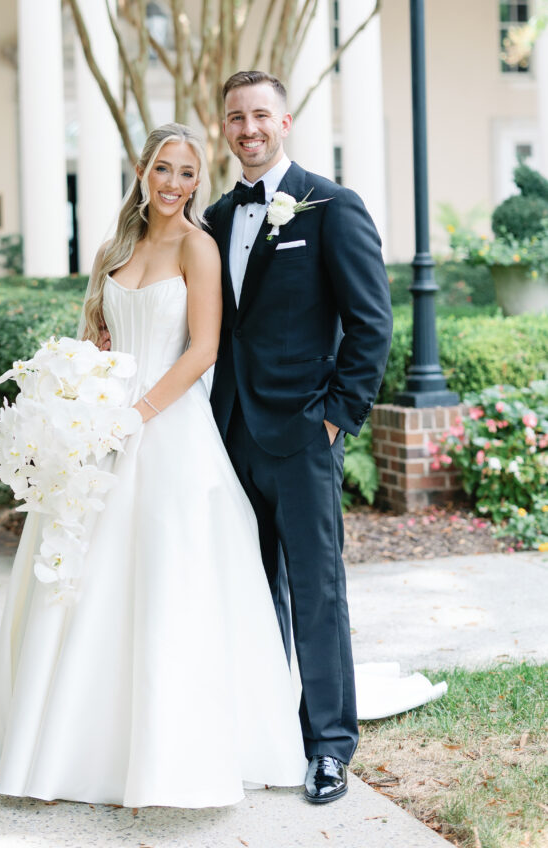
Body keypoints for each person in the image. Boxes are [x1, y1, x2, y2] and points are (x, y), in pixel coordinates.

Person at [0, 122, 307, 807]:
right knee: (75, 573)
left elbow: (202, 350)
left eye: (187, 173)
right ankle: (61, 732)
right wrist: (81, 395)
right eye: (163, 169)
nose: (173, 184)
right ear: (142, 170)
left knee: (167, 575)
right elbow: (93, 334)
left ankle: (165, 745)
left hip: (167, 430)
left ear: (199, 182)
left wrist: (132, 415)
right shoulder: (113, 247)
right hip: (98, 427)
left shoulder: (199, 247)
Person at [204, 70, 394, 805]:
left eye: (259, 115)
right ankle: (263, 731)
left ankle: (327, 746)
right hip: (228, 435)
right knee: (249, 592)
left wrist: (335, 415)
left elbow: (371, 323)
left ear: (285, 122)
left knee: (315, 592)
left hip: (303, 432)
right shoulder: (217, 216)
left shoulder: (331, 205)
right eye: (233, 117)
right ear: (223, 128)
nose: (246, 129)